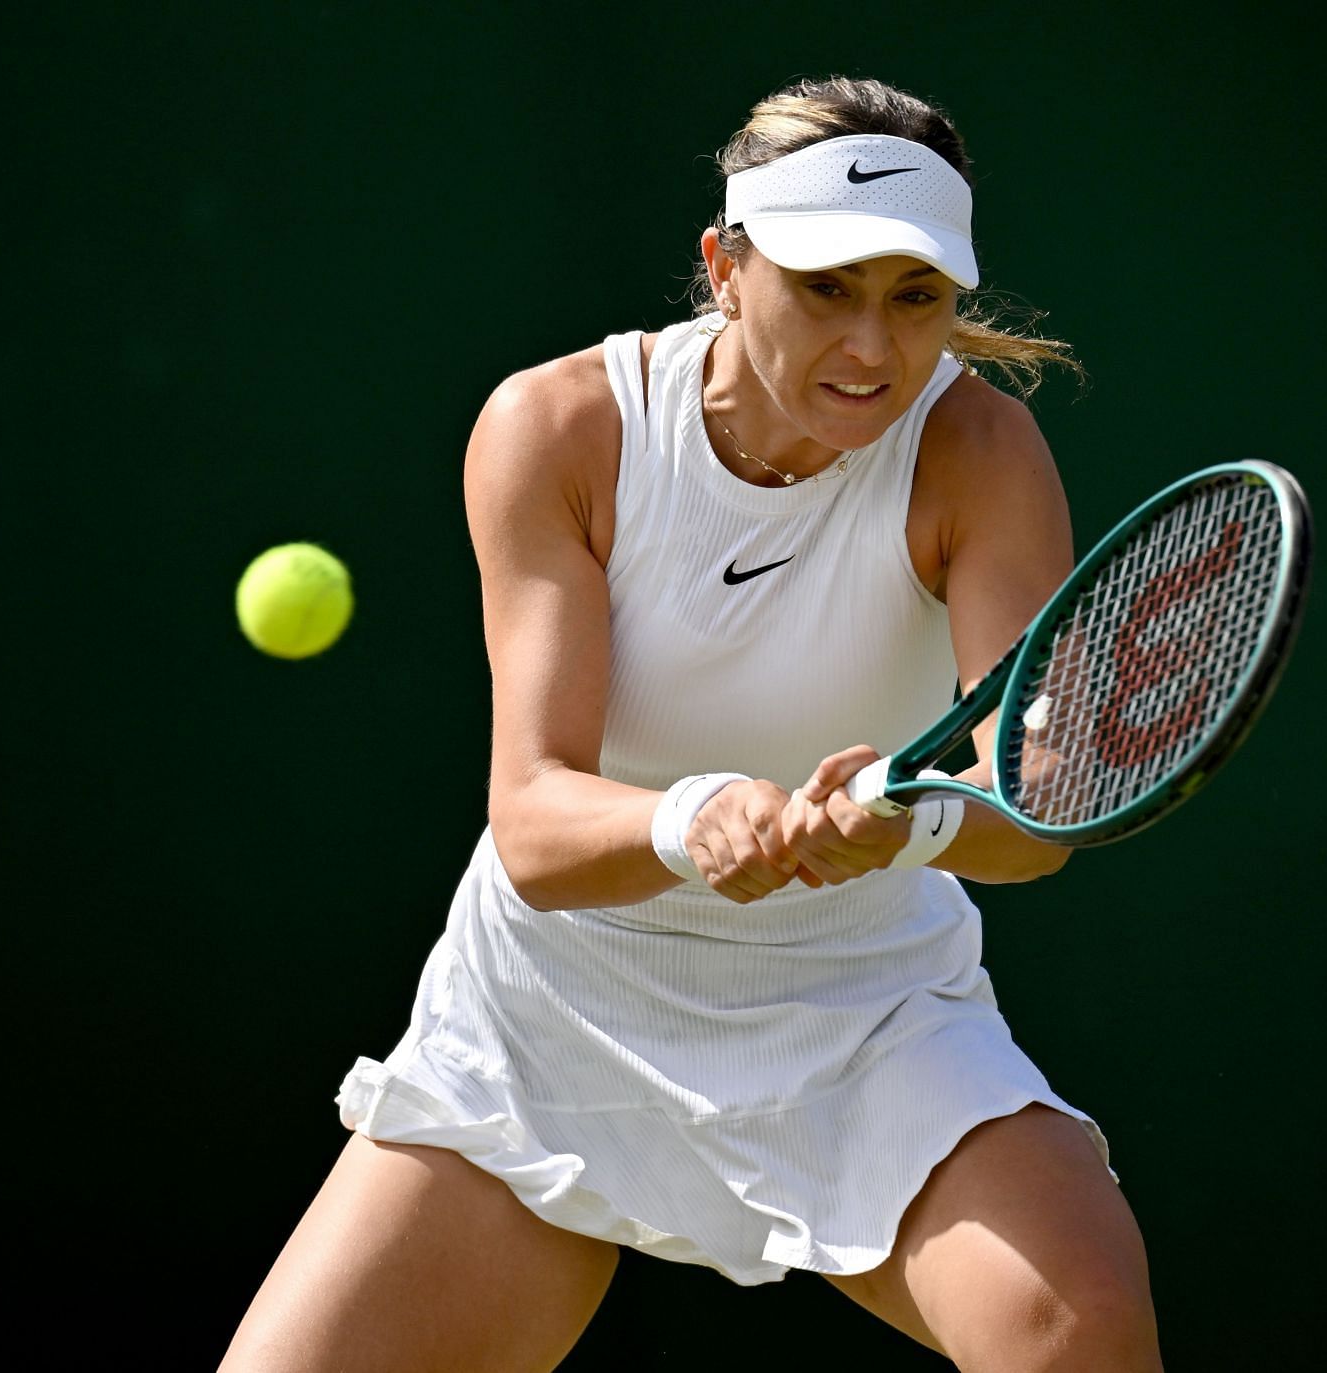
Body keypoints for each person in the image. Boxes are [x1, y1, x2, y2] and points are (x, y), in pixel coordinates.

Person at [221, 76, 1163, 1372]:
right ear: (726, 266)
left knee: (1080, 1325)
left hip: (864, 1011)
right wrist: (699, 814)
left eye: (917, 297)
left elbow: (1033, 817)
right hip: (556, 1019)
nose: (874, 349)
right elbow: (538, 821)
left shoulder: (980, 454)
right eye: (826, 287)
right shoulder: (562, 429)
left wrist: (907, 820)